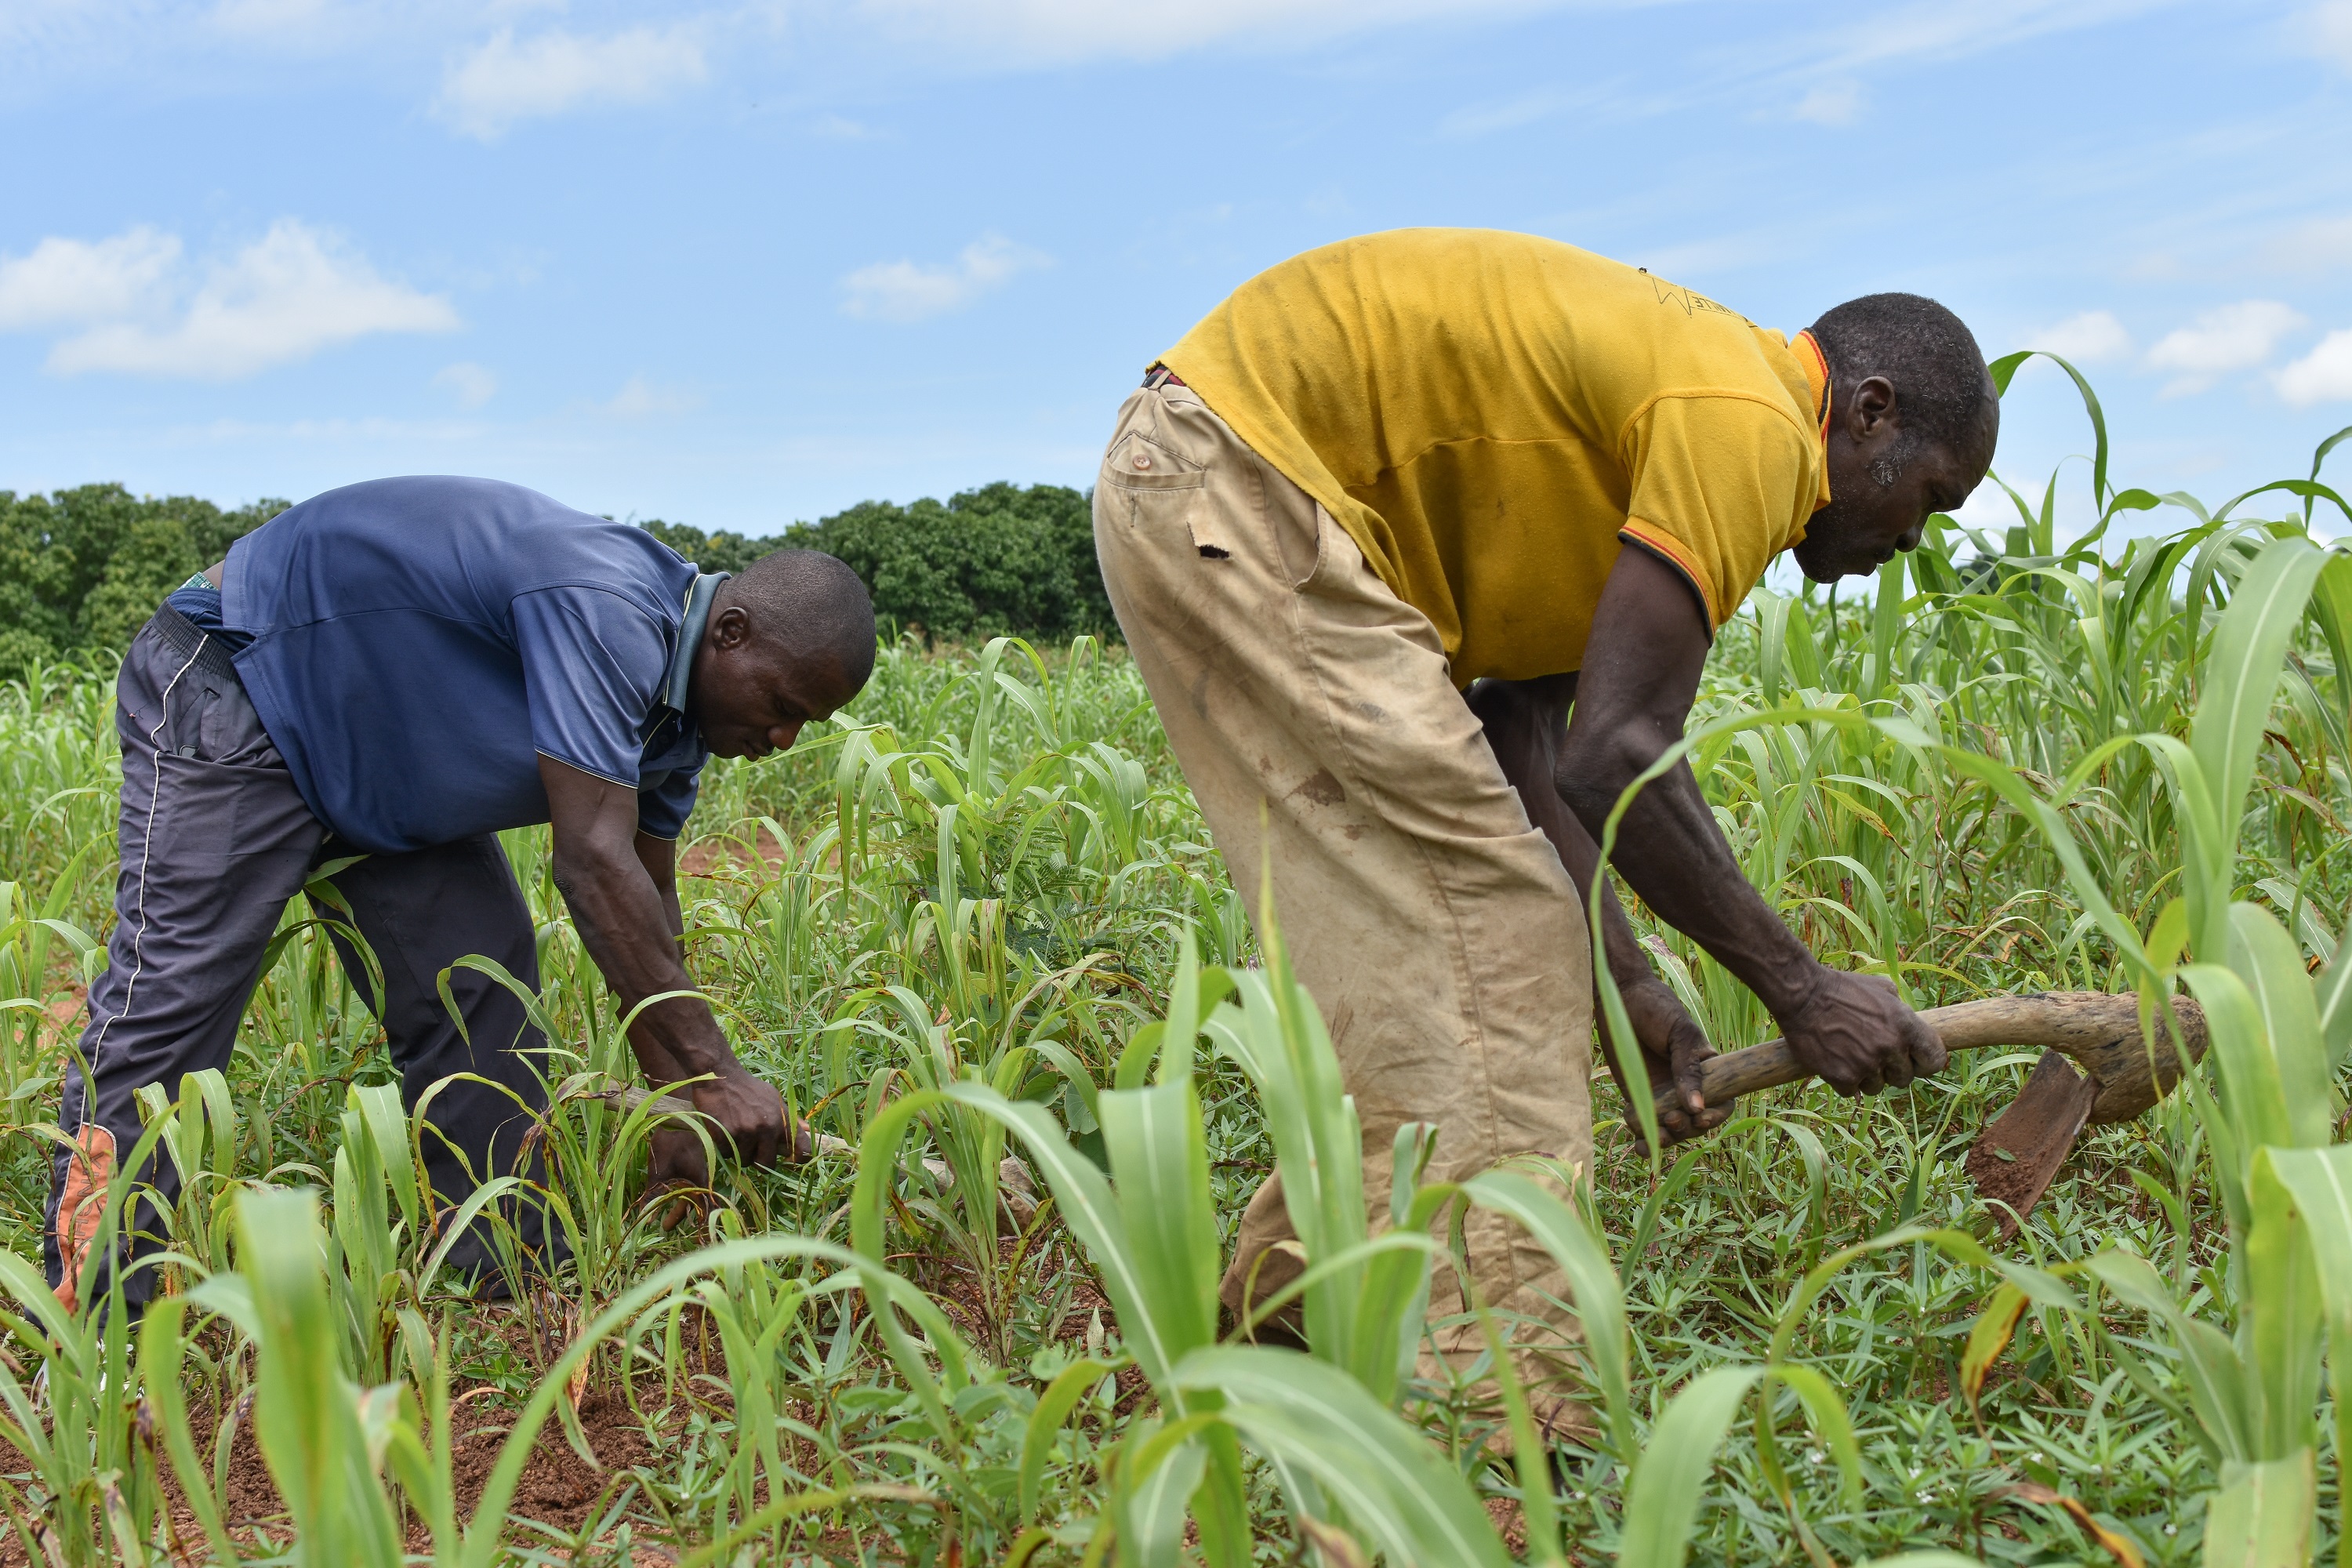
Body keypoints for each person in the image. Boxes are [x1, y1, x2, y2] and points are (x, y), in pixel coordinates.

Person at [1091, 228, 1997, 1416]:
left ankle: (1281, 1332)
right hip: (1247, 480)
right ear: (1869, 413)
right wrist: (1803, 988)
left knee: (1446, 948)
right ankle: (1508, 1419)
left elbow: (1533, 739)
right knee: (1498, 944)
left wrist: (1629, 988)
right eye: (1934, 496)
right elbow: (1623, 754)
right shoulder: (1756, 422)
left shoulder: (1673, 437)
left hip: (1219, 478)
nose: (1916, 540)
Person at [46, 475, 875, 1314]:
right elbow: (592, 864)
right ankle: (98, 1321)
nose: (781, 738)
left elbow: (649, 906)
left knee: (482, 984)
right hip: (247, 679)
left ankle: (503, 1274)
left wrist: (683, 1096)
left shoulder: (679, 728)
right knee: (173, 997)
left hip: (378, 754)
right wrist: (720, 1070)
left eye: (804, 725)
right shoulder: (607, 604)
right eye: (780, 704)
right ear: (729, 633)